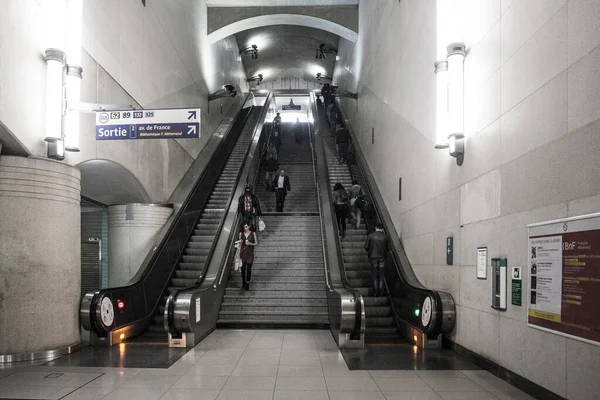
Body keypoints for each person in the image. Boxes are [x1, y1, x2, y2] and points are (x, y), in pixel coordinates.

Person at [364, 222, 390, 297]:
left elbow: (366, 246)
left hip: (373, 258)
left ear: (376, 228)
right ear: (382, 229)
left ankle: (375, 292)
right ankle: (381, 292)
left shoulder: (371, 236)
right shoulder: (386, 237)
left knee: (374, 274)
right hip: (382, 258)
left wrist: (371, 251)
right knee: (381, 274)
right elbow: (389, 248)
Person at [238, 220, 258, 290]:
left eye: (246, 226)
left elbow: (256, 244)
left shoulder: (253, 234)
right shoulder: (241, 234)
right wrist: (239, 242)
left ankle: (247, 283)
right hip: (243, 252)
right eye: (244, 227)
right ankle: (243, 282)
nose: (245, 228)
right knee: (243, 269)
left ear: (249, 226)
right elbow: (238, 244)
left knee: (249, 269)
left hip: (250, 253)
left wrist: (250, 243)